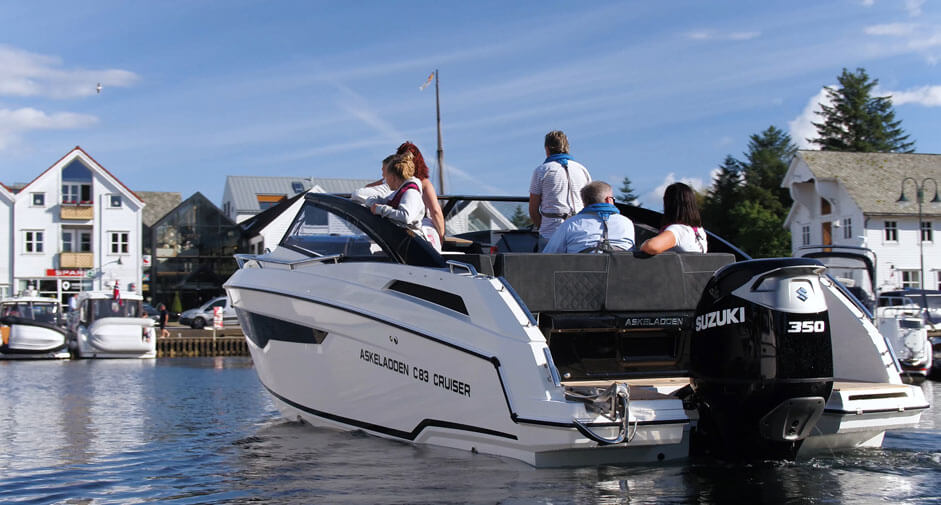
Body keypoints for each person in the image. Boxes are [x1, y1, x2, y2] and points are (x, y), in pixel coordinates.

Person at [358, 142, 445, 244]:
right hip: (402, 234)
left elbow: (406, 216)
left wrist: (378, 207)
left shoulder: (406, 189)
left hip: (409, 236)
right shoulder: (422, 184)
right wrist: (441, 236)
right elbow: (435, 211)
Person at [529, 130, 592, 241]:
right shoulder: (582, 170)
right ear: (567, 147)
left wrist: (542, 227)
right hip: (579, 230)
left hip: (551, 232)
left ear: (547, 148)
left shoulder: (542, 171)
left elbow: (533, 209)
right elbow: (590, 203)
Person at [543, 181, 635, 253]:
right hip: (619, 276)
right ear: (609, 200)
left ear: (584, 202)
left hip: (580, 275)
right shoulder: (626, 223)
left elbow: (549, 256)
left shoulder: (571, 224)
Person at [640, 182, 708, 255]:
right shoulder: (700, 231)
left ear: (668, 204)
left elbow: (651, 246)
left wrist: (642, 245)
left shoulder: (677, 230)